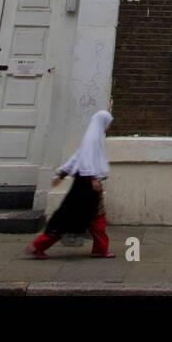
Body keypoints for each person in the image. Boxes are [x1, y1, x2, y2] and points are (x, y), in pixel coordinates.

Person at [26, 110, 116, 259]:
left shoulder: (94, 138)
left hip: (88, 184)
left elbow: (77, 157)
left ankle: (100, 249)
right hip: (87, 186)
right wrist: (93, 178)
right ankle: (38, 246)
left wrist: (62, 174)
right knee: (78, 218)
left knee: (90, 218)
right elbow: (85, 158)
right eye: (109, 123)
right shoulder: (93, 139)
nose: (110, 126)